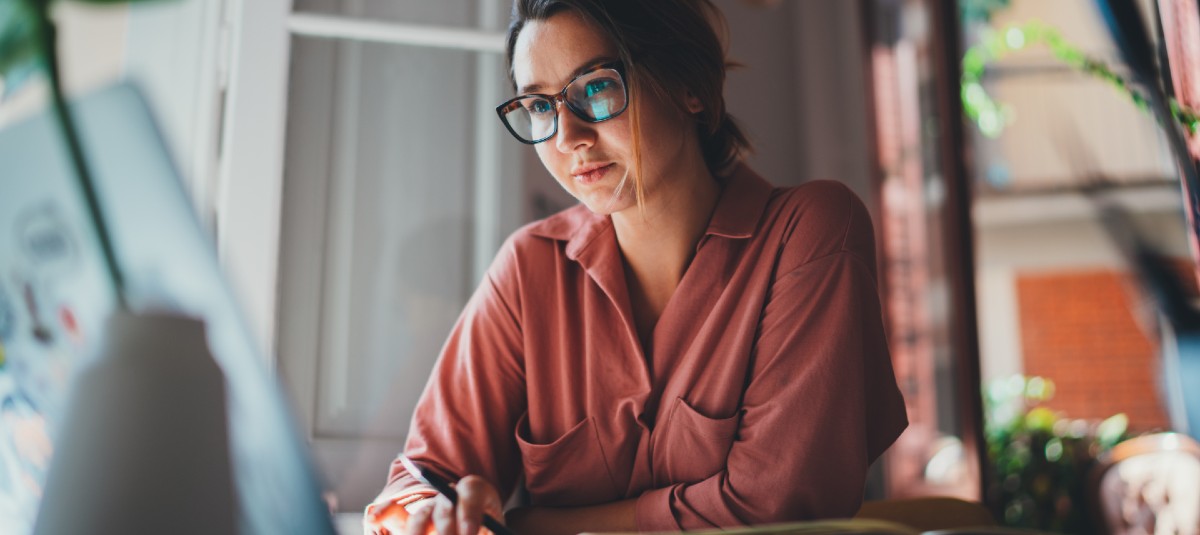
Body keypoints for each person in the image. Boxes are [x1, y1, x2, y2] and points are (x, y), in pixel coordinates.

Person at [363, 0, 908, 533]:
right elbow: (423, 475)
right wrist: (431, 513)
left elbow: (773, 505)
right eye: (540, 106)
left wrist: (532, 526)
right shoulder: (528, 270)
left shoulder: (808, 233)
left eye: (596, 88)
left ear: (689, 86)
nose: (568, 137)